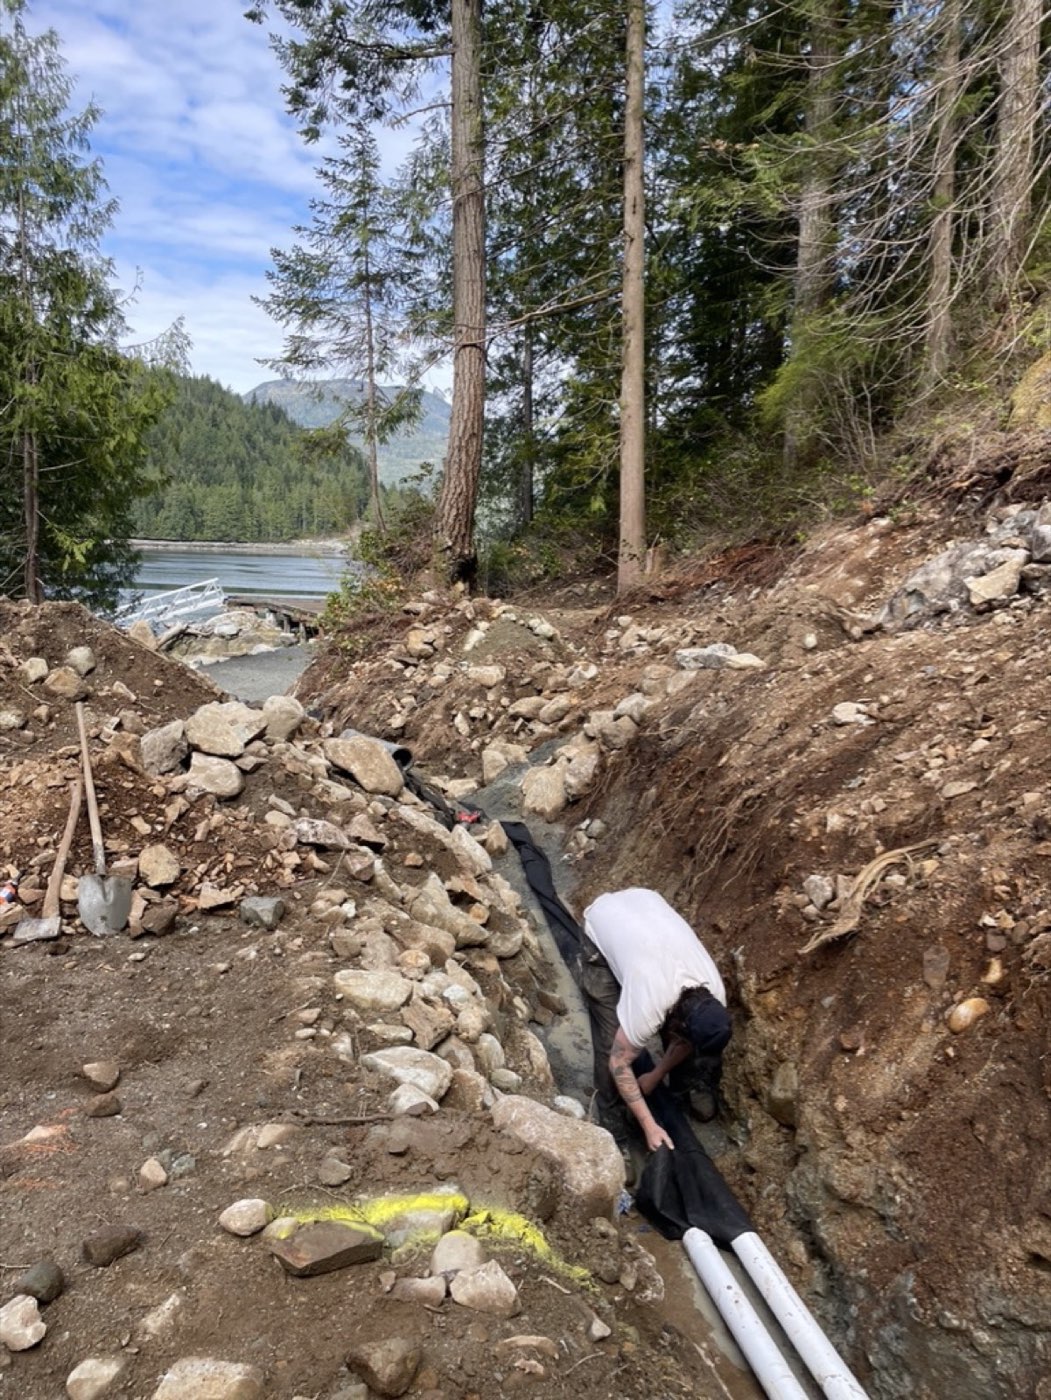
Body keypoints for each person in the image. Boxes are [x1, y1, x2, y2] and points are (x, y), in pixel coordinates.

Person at [578, 887, 732, 1160]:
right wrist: (650, 1126)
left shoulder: (715, 993)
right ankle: (614, 1126)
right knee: (609, 1040)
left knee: (685, 1046)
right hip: (603, 928)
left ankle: (681, 1091)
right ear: (678, 1025)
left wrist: (654, 1075)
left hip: (646, 904)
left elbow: (684, 1041)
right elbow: (619, 1062)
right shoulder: (648, 1007)